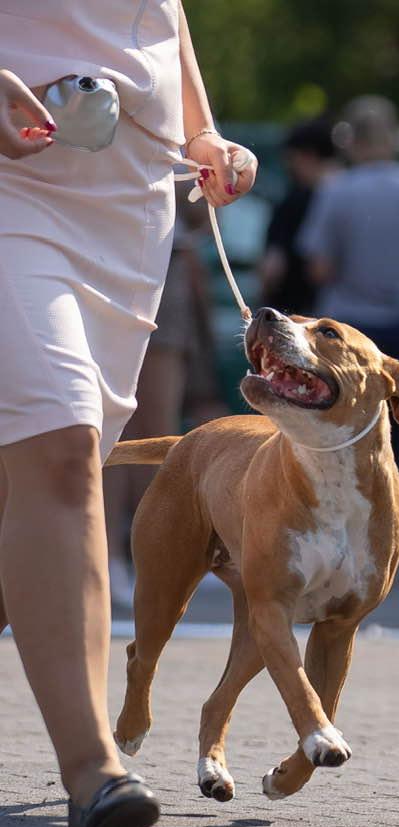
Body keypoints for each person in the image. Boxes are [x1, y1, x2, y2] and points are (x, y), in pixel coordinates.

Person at [0, 2, 257, 827]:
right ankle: (94, 770)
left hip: (127, 234)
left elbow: (191, 119)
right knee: (63, 448)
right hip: (12, 204)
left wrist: (213, 150)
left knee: (51, 477)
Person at [298, 95, 399, 546]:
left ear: (351, 140)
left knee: (335, 431)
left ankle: (337, 531)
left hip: (346, 330)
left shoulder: (337, 191)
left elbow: (319, 268)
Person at [104, 179, 229, 607]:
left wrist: (212, 181)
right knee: (112, 426)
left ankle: (160, 558)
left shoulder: (185, 121)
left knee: (155, 427)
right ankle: (109, 557)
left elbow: (199, 215)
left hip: (164, 263)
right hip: (105, 256)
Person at [259, 116, 338, 315]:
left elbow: (272, 267)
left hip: (296, 310)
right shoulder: (350, 195)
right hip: (342, 311)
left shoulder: (294, 201)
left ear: (308, 156)